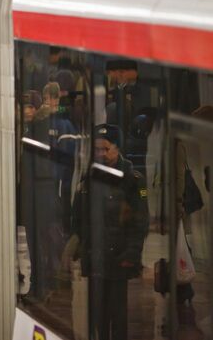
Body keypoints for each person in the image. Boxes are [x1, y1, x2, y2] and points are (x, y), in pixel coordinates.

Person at [73, 124, 149, 340]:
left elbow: (141, 221)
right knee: (98, 316)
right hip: (95, 258)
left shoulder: (135, 181)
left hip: (119, 259)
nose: (101, 154)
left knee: (118, 316)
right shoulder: (89, 178)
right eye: (97, 149)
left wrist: (132, 255)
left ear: (118, 148)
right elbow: (78, 216)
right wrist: (81, 247)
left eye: (106, 149)